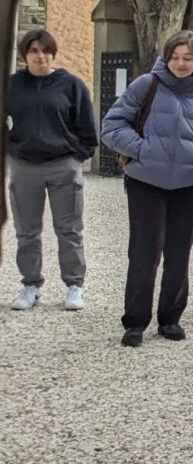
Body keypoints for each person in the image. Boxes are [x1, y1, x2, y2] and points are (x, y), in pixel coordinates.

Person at [100, 31, 193, 346]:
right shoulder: (146, 85)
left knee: (179, 253)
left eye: (188, 58)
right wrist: (142, 150)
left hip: (190, 184)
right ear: (166, 57)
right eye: (175, 57)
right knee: (143, 253)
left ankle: (170, 318)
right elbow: (111, 125)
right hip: (146, 182)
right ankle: (135, 322)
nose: (181, 63)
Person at [6, 28, 96, 312]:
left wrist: (76, 157)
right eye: (33, 51)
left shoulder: (71, 85)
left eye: (45, 51)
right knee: (27, 231)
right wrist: (12, 149)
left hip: (63, 166)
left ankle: (74, 285)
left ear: (53, 53)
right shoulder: (12, 85)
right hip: (25, 167)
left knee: (69, 230)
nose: (40, 56)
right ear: (25, 55)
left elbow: (87, 127)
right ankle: (30, 285)